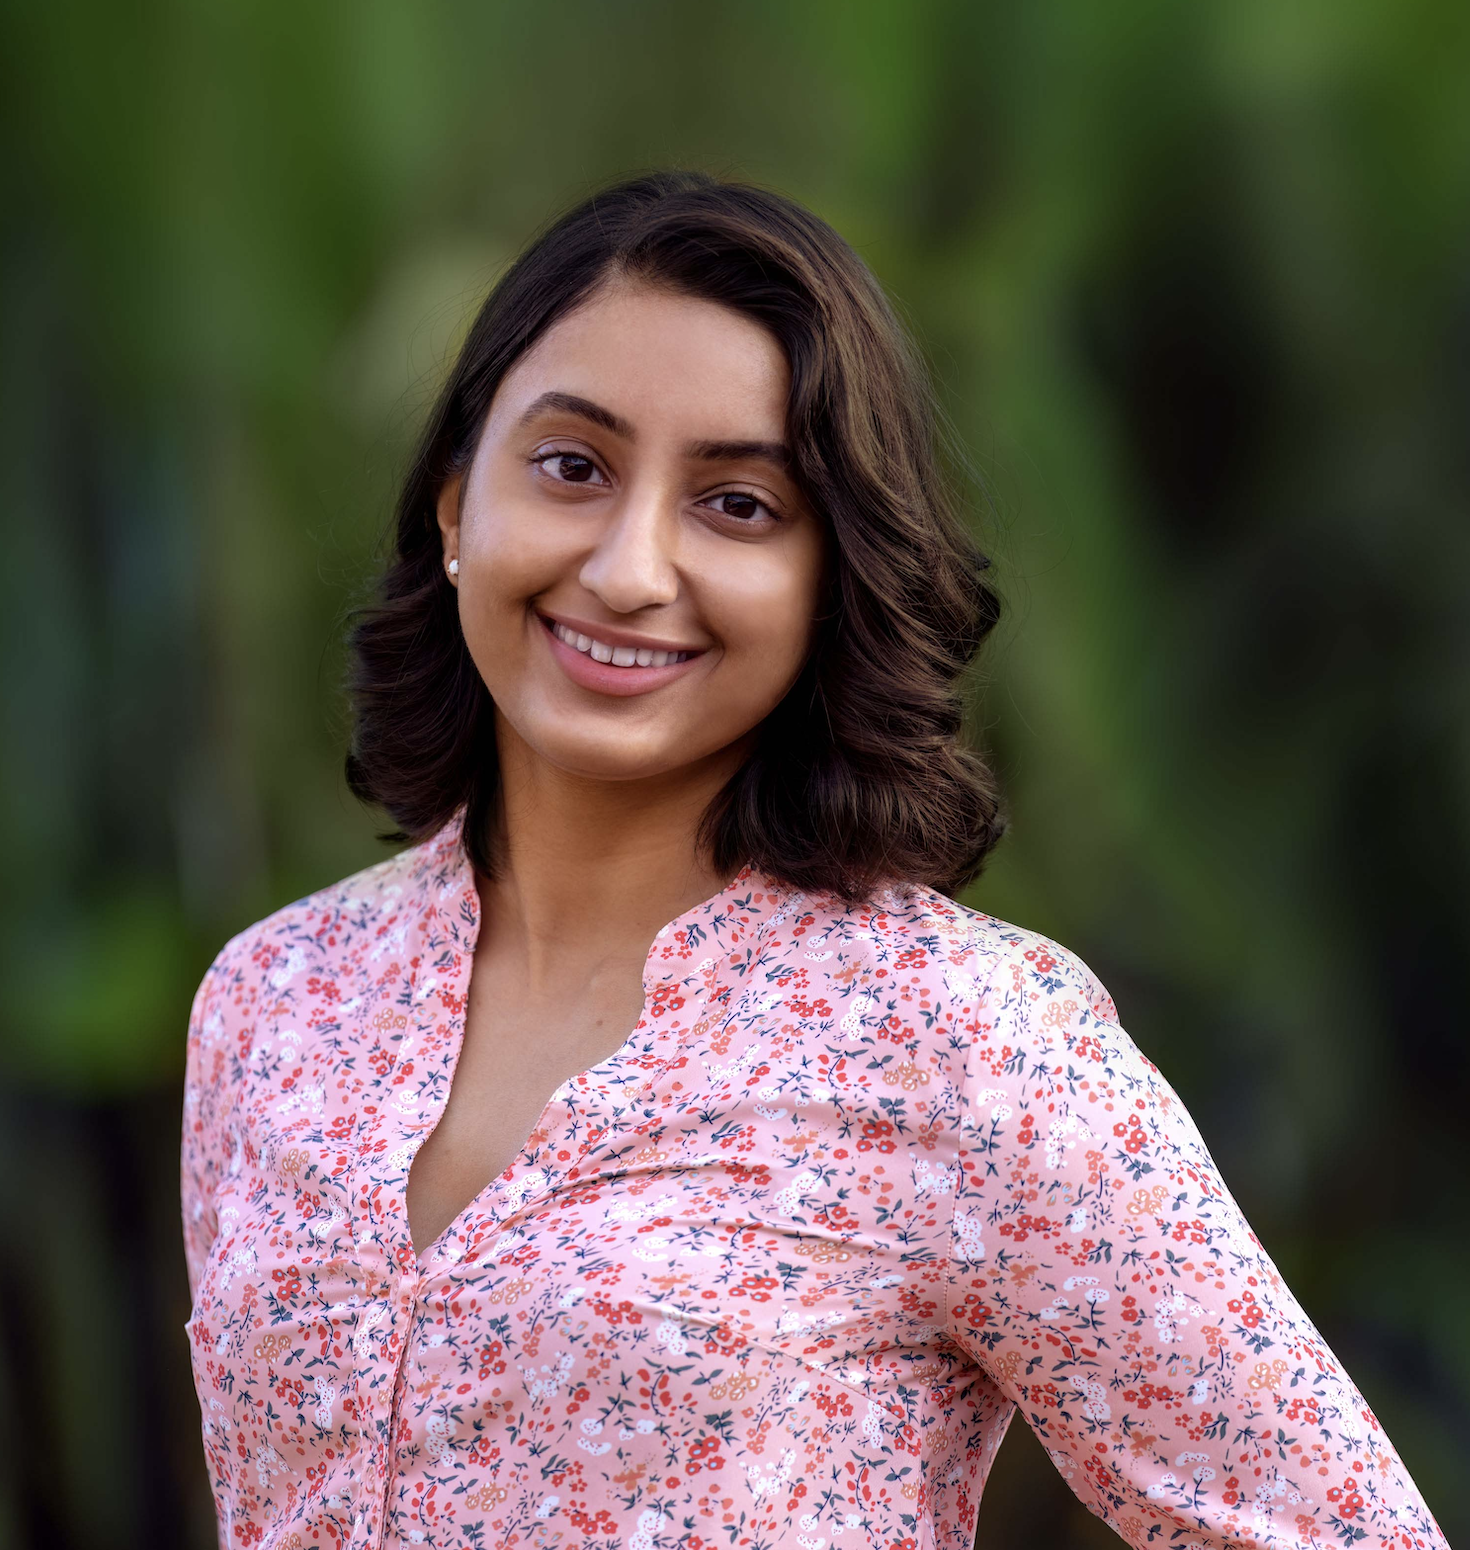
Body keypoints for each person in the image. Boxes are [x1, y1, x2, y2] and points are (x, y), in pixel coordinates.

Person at [180, 172, 1446, 1550]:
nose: (626, 568)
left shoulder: (963, 1039)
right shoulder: (273, 1000)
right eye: (570, 466)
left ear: (832, 571)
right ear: (449, 503)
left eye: (736, 504)